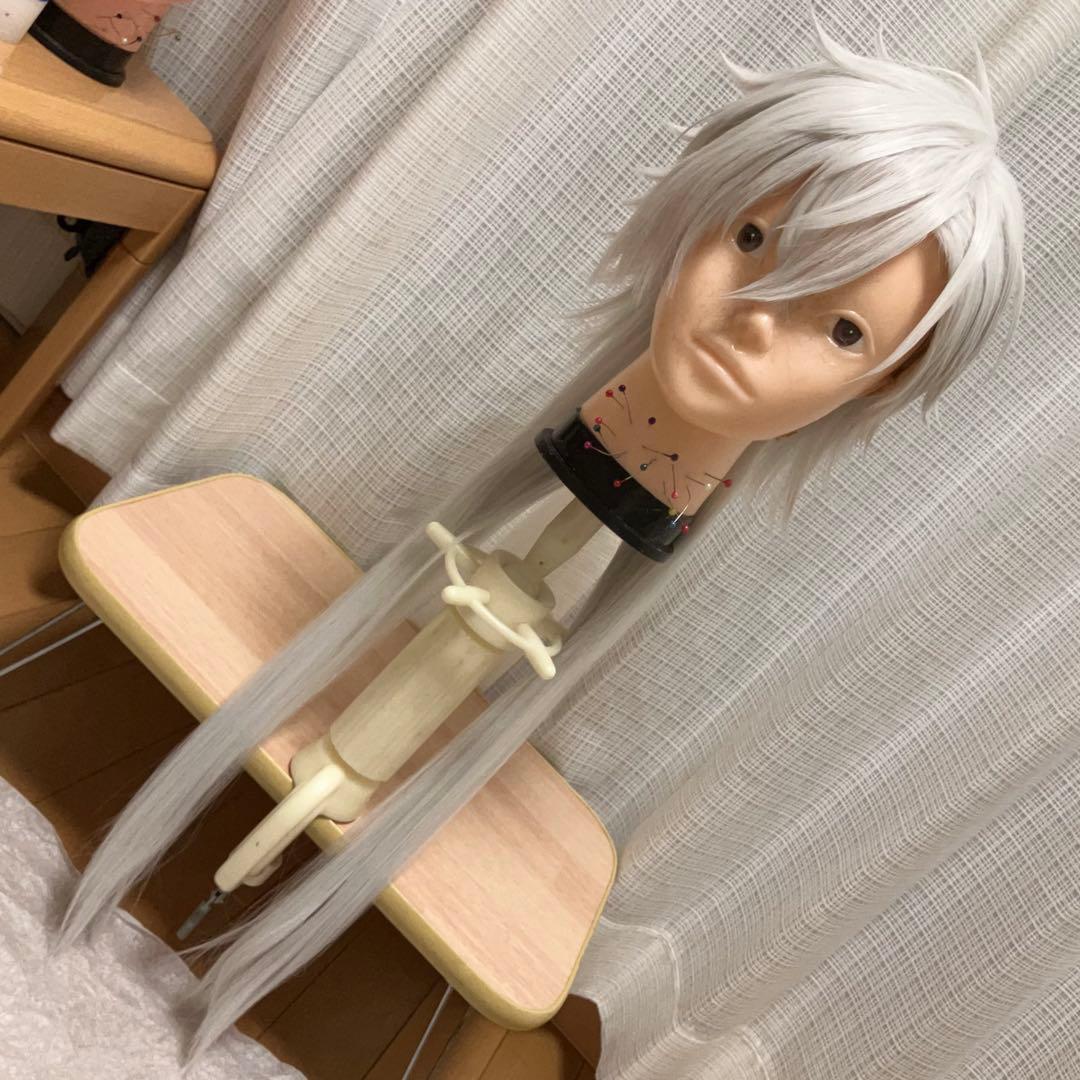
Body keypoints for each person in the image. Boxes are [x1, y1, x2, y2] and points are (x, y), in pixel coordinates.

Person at [58, 20, 1024, 1059]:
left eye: (842, 331)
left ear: (882, 381)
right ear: (705, 205)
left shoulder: (708, 479)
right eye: (753, 240)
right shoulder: (607, 396)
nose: (755, 319)